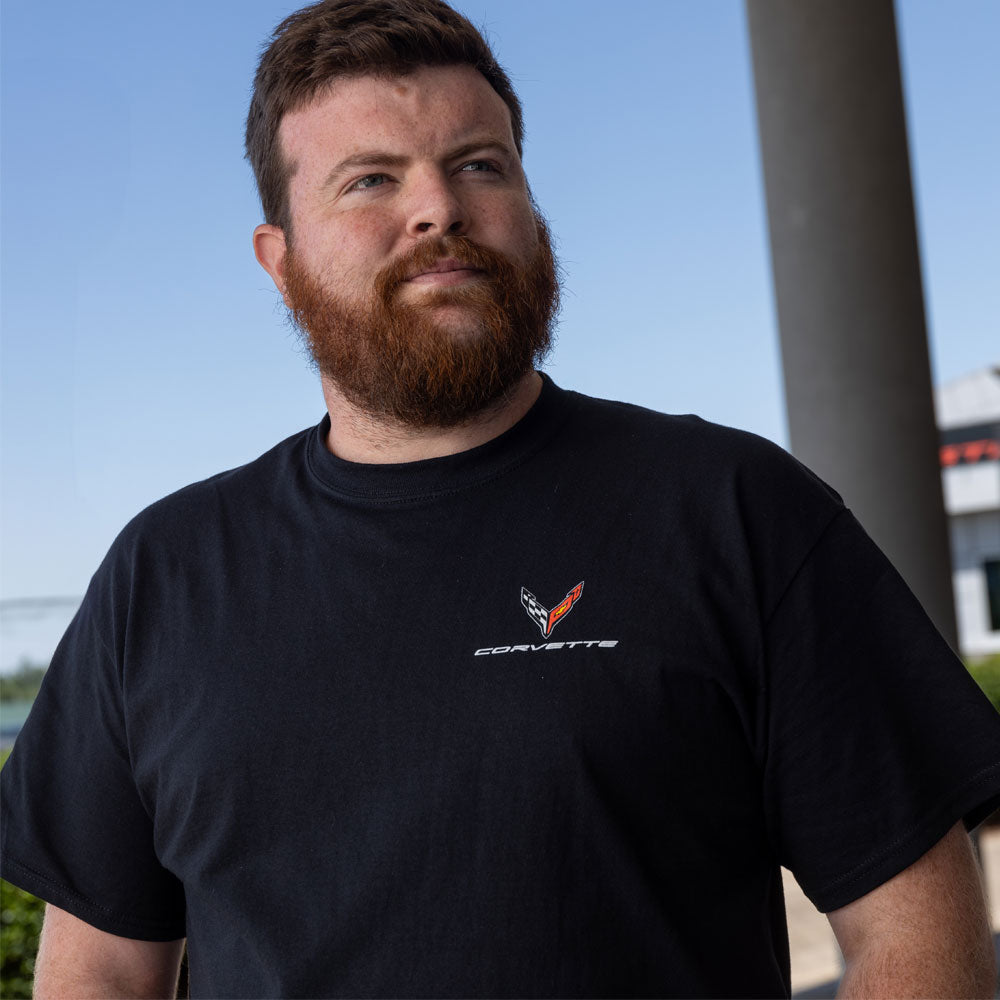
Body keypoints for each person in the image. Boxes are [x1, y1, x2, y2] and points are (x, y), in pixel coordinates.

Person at [2, 1, 999, 996]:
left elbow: (920, 938)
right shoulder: (163, 577)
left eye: (481, 165)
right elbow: (97, 973)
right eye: (372, 180)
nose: (437, 208)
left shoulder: (733, 512)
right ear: (281, 260)